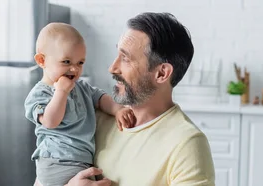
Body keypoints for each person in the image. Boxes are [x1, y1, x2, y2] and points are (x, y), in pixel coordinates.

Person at [35, 12, 216, 186]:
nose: (112, 68)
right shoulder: (92, 114)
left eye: (125, 58)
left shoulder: (187, 143)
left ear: (161, 73)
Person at [24, 22, 136, 186]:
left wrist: (117, 109)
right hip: (56, 162)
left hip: (80, 161)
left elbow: (100, 98)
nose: (74, 69)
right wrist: (61, 93)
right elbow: (50, 121)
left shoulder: (81, 87)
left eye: (80, 63)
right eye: (66, 62)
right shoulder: (40, 94)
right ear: (42, 60)